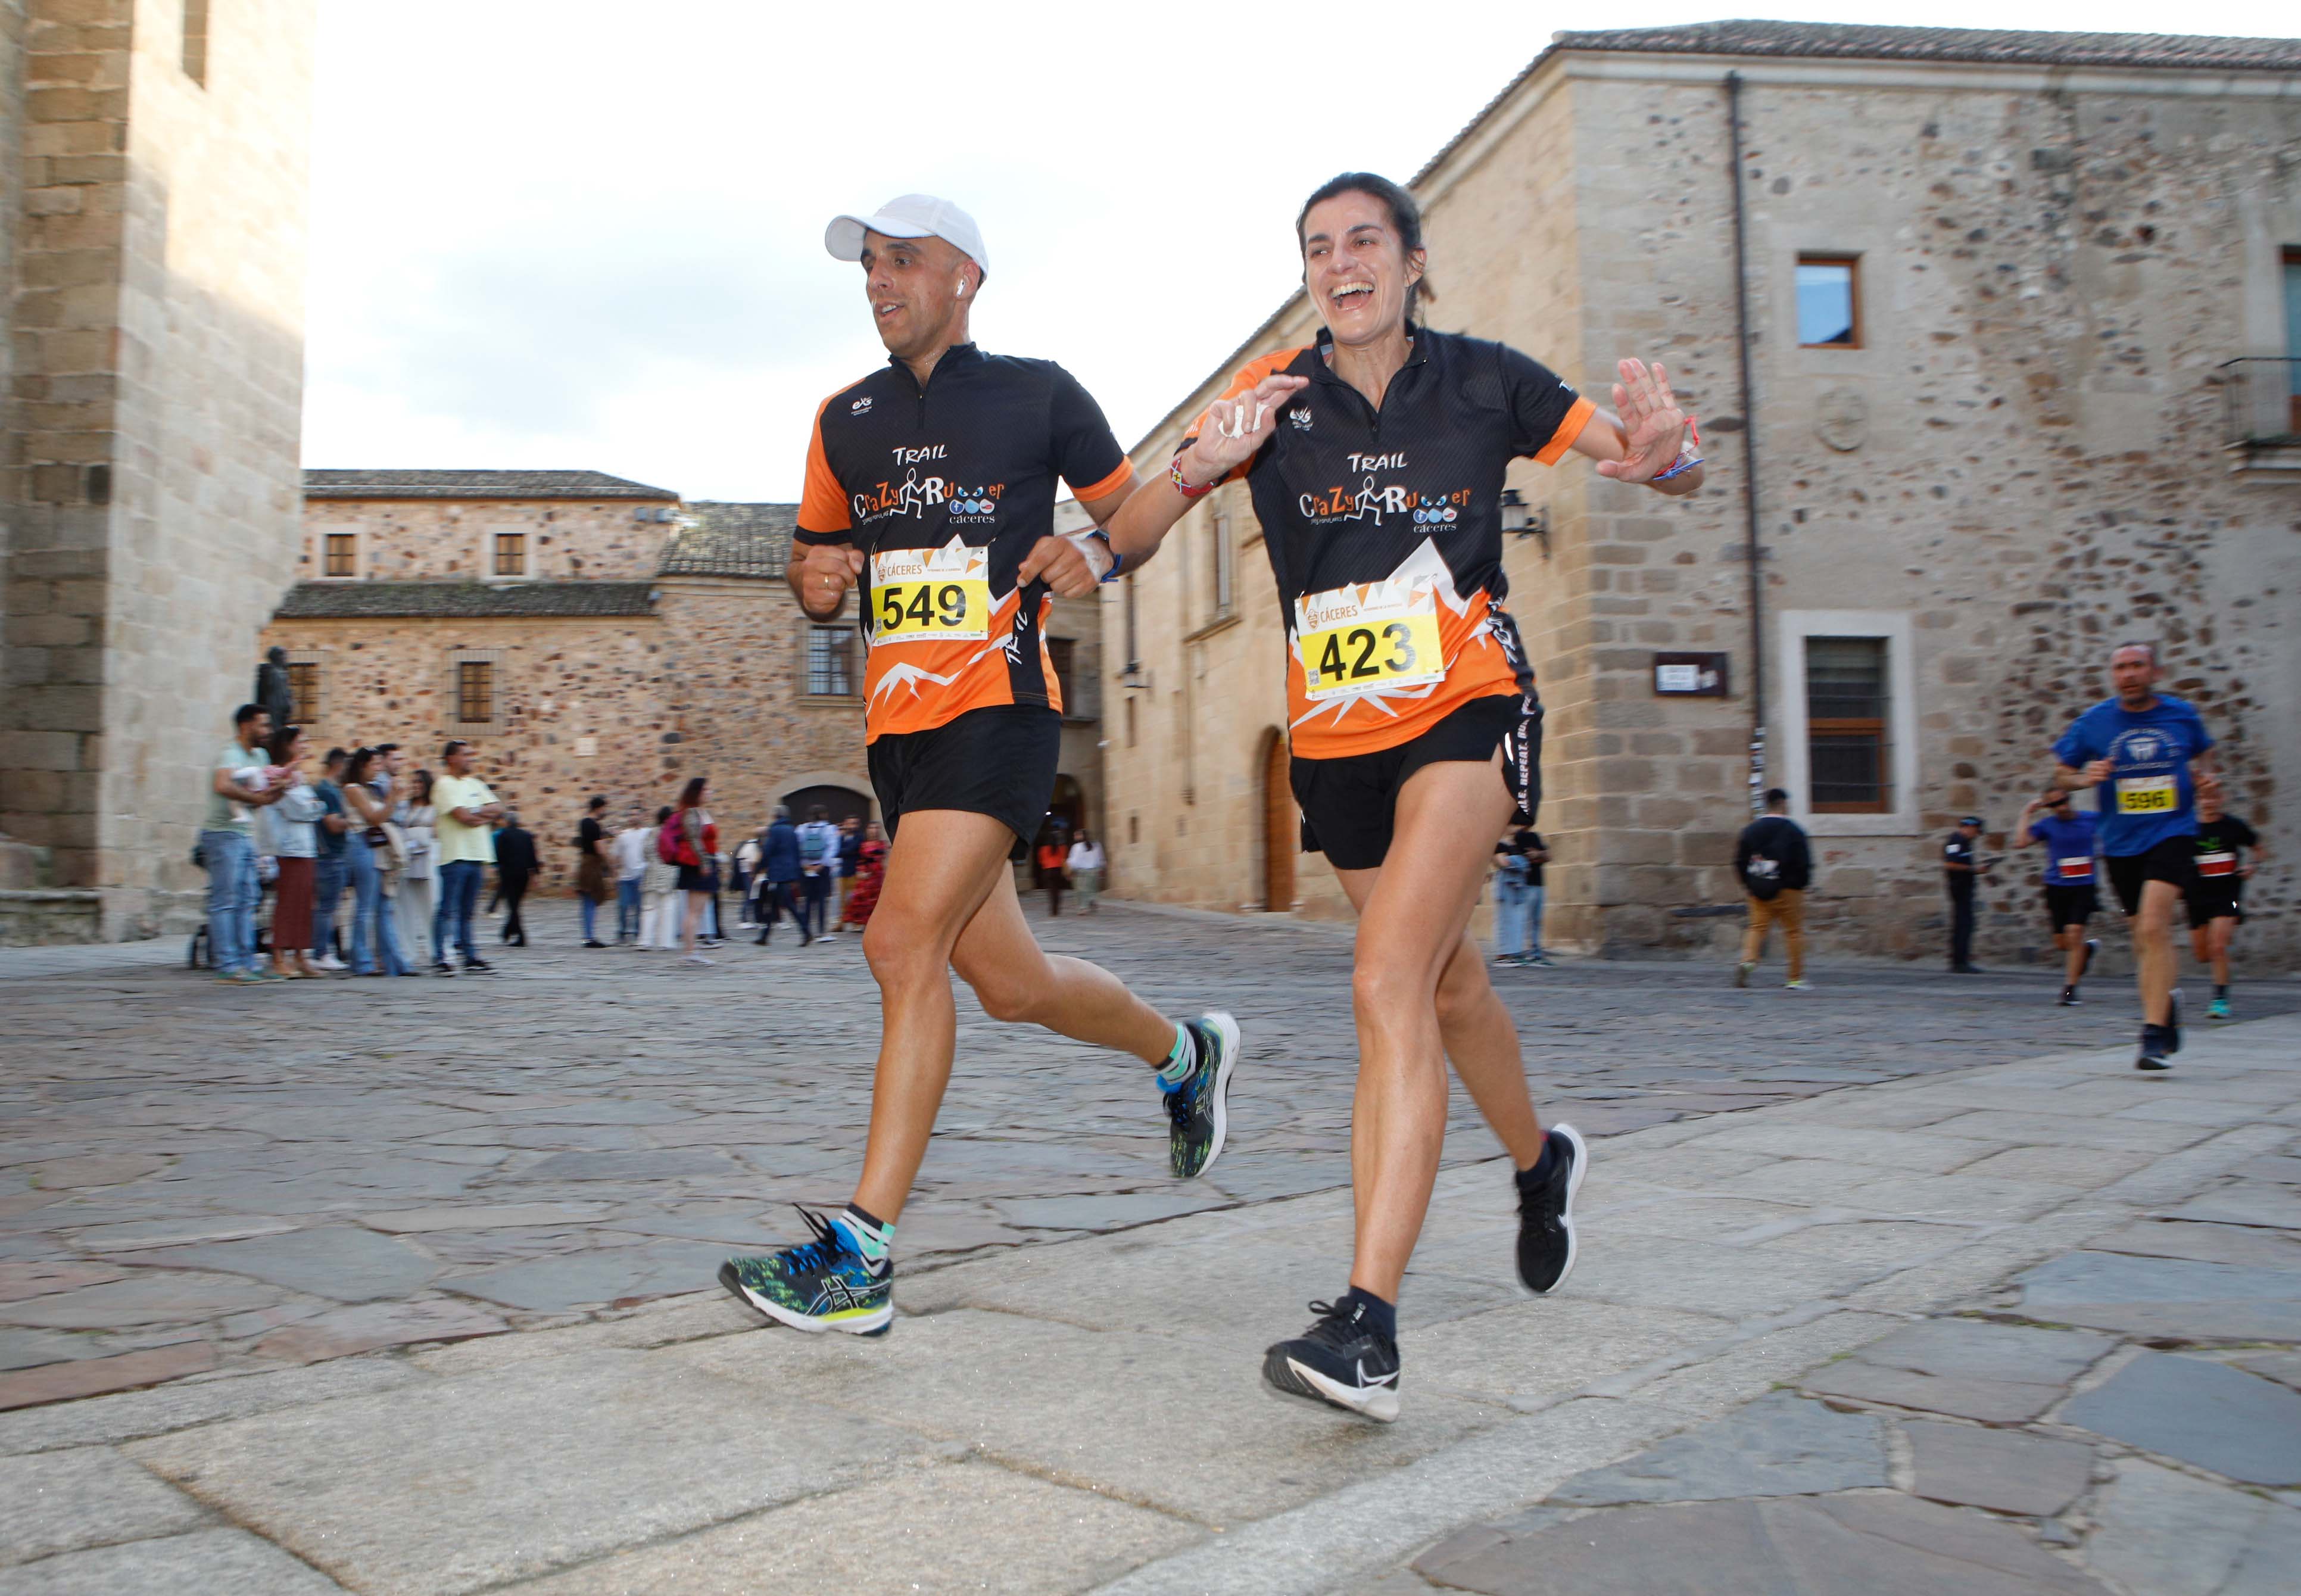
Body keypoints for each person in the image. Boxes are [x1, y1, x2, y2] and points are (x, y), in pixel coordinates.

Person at [1102, 172, 1700, 1420]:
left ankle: (1366, 1322)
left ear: (1414, 259)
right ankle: (1540, 1162)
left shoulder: (1488, 378)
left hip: (1466, 705)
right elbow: (1134, 537)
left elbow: (1648, 458)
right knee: (1446, 979)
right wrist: (1201, 468)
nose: (1341, 261)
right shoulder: (1272, 393)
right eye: (1317, 248)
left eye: (1363, 239)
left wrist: (1668, 451)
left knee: (1383, 979)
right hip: (1334, 741)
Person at [719, 194, 1240, 1339]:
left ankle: (859, 1258)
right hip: (896, 733)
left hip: (998, 708)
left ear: (965, 277)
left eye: (901, 261)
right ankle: (1182, 1051)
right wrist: (809, 582)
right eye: (867, 267)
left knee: (898, 944)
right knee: (1008, 987)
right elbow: (814, 566)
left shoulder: (1038, 393)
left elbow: (1131, 519)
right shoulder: (839, 419)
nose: (877, 281)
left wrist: (1158, 499)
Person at [2052, 641, 2221, 1071]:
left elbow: (2204, 750)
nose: (2129, 674)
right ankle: (2167, 1004)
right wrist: (2081, 777)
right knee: (2143, 938)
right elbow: (2057, 776)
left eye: (2137, 666)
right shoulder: (2095, 722)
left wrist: (2206, 780)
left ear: (2155, 672)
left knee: (2152, 924)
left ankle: (2151, 1035)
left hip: (2173, 832)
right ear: (2113, 676)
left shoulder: (2181, 715)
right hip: (2121, 842)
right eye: (2121, 668)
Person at [201, 705, 291, 983]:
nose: (268, 731)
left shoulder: (260, 756)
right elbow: (222, 785)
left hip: (244, 833)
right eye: (262, 725)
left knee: (248, 899)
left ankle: (247, 962)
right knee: (225, 901)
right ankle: (227, 964)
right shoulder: (231, 754)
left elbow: (263, 795)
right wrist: (259, 799)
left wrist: (280, 789)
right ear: (245, 726)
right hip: (222, 834)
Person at [2015, 789, 2100, 1007]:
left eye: (2063, 801)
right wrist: (2027, 812)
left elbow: (2115, 828)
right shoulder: (2047, 825)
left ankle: (2070, 990)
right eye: (2054, 804)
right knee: (2063, 943)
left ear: (2069, 799)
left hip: (2084, 886)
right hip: (2056, 887)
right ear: (2049, 808)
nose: (2061, 807)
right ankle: (2087, 950)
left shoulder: (2091, 819)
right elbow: (2021, 842)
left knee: (2074, 934)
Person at [255, 722, 322, 979]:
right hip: (288, 849)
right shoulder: (276, 775)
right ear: (288, 745)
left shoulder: (299, 778)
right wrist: (314, 806)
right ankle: (279, 956)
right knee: (287, 905)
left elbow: (312, 807)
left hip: (305, 848)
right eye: (300, 742)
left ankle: (301, 954)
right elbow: (302, 809)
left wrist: (313, 806)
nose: (305, 746)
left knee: (305, 905)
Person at [432, 738, 504, 974]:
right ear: (451, 758)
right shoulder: (444, 785)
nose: (470, 759)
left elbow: (498, 809)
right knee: (448, 909)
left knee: (468, 910)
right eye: (465, 755)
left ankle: (469, 954)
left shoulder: (476, 784)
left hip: (476, 855)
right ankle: (442, 955)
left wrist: (475, 813)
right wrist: (481, 814)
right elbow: (462, 817)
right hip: (455, 855)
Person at [2185, 791, 2259, 1021]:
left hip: (2228, 894)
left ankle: (2220, 1001)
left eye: (2214, 797)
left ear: (2221, 799)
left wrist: (2252, 865)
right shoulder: (2188, 828)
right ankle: (2223, 956)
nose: (2209, 802)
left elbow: (2259, 848)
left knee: (2217, 947)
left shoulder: (2234, 826)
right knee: (2202, 954)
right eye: (2205, 798)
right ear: (2198, 801)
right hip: (2197, 897)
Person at [341, 747, 413, 977]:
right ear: (363, 766)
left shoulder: (370, 790)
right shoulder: (353, 789)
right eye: (375, 765)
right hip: (361, 844)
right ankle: (361, 960)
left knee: (384, 906)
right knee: (365, 906)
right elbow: (373, 818)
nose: (378, 769)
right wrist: (392, 798)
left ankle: (395, 962)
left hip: (375, 847)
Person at [1733, 790, 1813, 989]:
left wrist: (1749, 884)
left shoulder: (1751, 830)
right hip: (1789, 889)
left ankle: (1748, 961)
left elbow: (1740, 861)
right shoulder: (1794, 830)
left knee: (1757, 928)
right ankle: (1795, 978)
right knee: (1793, 932)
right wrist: (1800, 883)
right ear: (1783, 804)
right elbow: (1803, 862)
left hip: (1759, 887)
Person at [308, 747, 353, 971]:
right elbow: (333, 824)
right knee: (327, 907)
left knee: (327, 907)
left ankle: (323, 951)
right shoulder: (328, 791)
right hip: (330, 855)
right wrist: (352, 821)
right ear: (340, 765)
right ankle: (322, 952)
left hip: (328, 855)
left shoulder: (326, 789)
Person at [669, 778, 719, 965]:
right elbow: (694, 840)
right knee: (694, 911)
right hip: (698, 865)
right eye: (706, 789)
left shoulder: (700, 812)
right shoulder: (691, 813)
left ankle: (692, 950)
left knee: (696, 911)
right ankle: (690, 951)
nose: (710, 792)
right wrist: (704, 863)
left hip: (703, 863)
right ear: (697, 792)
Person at [1490, 827, 1552, 968]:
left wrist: (1534, 856)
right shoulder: (1500, 844)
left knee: (1519, 921)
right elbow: (1502, 862)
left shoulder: (1526, 838)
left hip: (1519, 886)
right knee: (1507, 920)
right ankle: (1504, 955)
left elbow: (1546, 856)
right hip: (1510, 887)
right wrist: (1522, 861)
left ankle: (1520, 953)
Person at [395, 769, 438, 966]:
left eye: (420, 782)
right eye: (413, 782)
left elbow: (437, 832)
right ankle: (408, 951)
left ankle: (436, 950)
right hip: (407, 859)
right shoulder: (404, 808)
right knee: (406, 907)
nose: (416, 786)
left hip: (427, 858)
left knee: (431, 905)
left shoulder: (434, 808)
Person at [1941, 816, 1991, 974]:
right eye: (1976, 831)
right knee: (1963, 925)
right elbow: (1950, 864)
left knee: (1965, 924)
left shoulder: (1965, 842)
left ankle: (1961, 960)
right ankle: (1959, 962)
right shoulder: (1956, 841)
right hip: (1959, 889)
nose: (1976, 835)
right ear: (1969, 828)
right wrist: (1974, 870)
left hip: (1965, 888)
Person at [755, 806, 804, 946]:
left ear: (775, 816)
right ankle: (764, 937)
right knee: (773, 904)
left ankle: (806, 931)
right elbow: (796, 852)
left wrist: (759, 868)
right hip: (789, 871)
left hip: (778, 872)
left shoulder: (774, 830)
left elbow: (768, 850)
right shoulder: (791, 830)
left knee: (788, 904)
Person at [638, 805, 682, 950]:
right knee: (668, 908)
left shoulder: (651, 833)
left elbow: (645, 852)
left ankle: (645, 940)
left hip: (652, 873)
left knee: (649, 908)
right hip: (669, 873)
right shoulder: (672, 834)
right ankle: (665, 941)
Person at [492, 810, 537, 947]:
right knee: (516, 904)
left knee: (513, 905)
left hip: (509, 874)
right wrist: (535, 874)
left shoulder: (503, 836)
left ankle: (520, 936)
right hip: (523, 874)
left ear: (507, 822)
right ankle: (508, 930)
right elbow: (532, 856)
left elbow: (499, 855)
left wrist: (497, 868)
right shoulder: (526, 835)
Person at [796, 805, 840, 942]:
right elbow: (833, 848)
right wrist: (822, 864)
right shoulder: (830, 829)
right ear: (824, 814)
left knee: (807, 900)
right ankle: (822, 932)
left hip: (806, 869)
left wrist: (804, 864)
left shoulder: (801, 829)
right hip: (823, 868)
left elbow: (797, 848)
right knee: (822, 899)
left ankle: (807, 931)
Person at [575, 796, 612, 947]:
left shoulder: (584, 823)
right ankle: (589, 937)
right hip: (592, 866)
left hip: (584, 864)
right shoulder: (594, 825)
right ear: (599, 808)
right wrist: (609, 865)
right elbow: (600, 849)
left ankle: (587, 936)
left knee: (586, 902)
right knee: (591, 900)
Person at [613, 809, 650, 943]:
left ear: (643, 816)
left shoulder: (648, 833)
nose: (633, 817)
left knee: (640, 906)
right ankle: (622, 931)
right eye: (631, 814)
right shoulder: (623, 836)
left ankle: (638, 932)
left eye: (636, 814)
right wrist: (616, 872)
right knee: (623, 906)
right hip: (626, 877)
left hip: (642, 874)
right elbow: (617, 855)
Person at [834, 817, 864, 928]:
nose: (852, 825)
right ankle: (841, 923)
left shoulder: (860, 837)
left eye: (855, 823)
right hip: (843, 872)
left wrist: (844, 851)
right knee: (841, 899)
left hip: (855, 871)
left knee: (854, 899)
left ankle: (856, 922)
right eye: (850, 823)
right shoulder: (842, 837)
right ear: (845, 824)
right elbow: (837, 852)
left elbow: (851, 849)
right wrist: (845, 851)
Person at [1067, 827, 1104, 915]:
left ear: (1081, 836)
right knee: (1091, 889)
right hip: (1094, 871)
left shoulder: (1077, 847)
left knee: (1081, 891)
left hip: (1081, 872)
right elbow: (1100, 858)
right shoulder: (1097, 845)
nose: (1075, 837)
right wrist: (1101, 868)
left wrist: (1071, 871)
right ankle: (1092, 900)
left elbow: (1074, 861)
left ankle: (1083, 908)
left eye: (1077, 835)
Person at [1036, 826, 1069, 917]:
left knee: (1051, 891)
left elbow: (1041, 861)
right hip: (1058, 870)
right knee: (1058, 891)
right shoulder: (1062, 848)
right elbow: (1064, 859)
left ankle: (1052, 910)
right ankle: (1057, 909)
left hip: (1048, 871)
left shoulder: (1044, 848)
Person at [732, 829, 762, 928]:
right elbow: (752, 863)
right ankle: (744, 920)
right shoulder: (754, 847)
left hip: (743, 871)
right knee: (750, 895)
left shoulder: (746, 845)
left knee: (749, 896)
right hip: (748, 872)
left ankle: (748, 919)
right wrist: (753, 875)